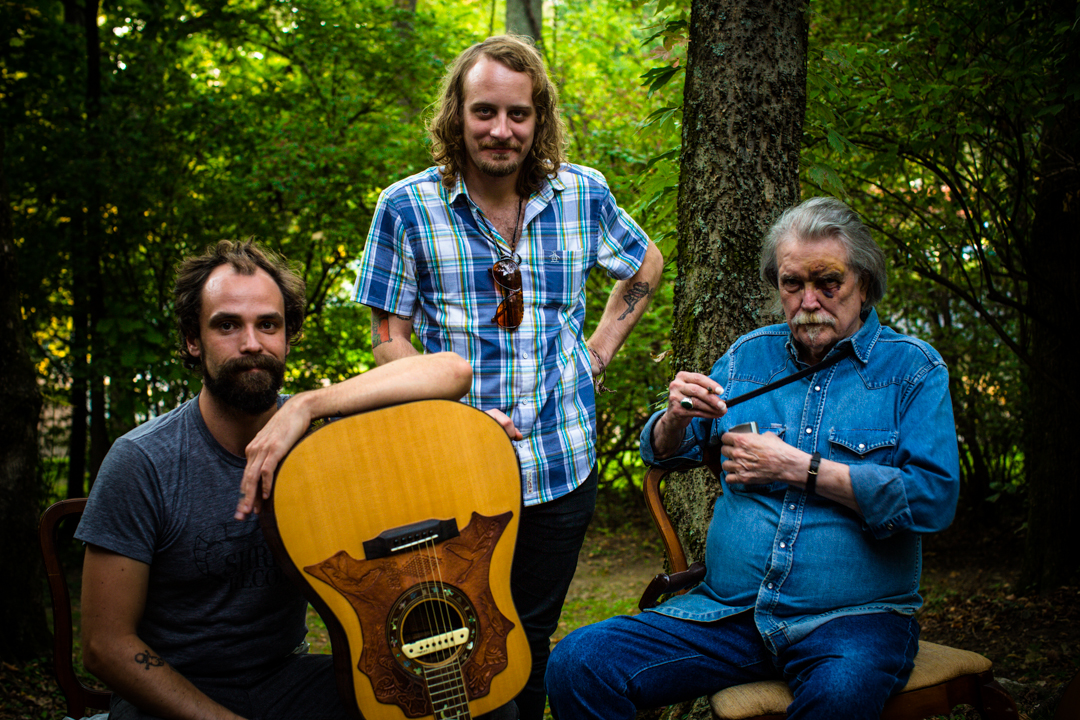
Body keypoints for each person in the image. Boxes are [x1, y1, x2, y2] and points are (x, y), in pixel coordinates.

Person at [545, 197, 961, 720]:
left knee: (837, 697)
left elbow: (934, 500)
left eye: (827, 281)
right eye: (792, 284)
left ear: (864, 282)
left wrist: (798, 468)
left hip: (853, 622)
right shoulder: (748, 357)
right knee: (579, 663)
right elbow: (661, 451)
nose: (809, 300)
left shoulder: (912, 371)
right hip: (731, 616)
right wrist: (675, 417)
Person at [352, 35, 664, 719]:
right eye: (484, 111)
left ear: (539, 117)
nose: (501, 129)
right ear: (457, 115)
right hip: (455, 473)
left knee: (533, 638)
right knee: (458, 648)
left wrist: (598, 352)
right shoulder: (407, 208)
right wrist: (453, 417)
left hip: (561, 463)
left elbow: (645, 263)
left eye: (518, 114)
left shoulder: (583, 195)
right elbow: (388, 338)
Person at [77, 239, 472, 720]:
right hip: (172, 691)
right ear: (191, 340)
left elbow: (452, 372)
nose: (251, 343)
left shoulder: (318, 444)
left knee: (473, 702)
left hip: (285, 680)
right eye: (227, 325)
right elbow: (104, 644)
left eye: (269, 325)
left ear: (288, 337)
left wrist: (309, 404)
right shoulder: (142, 461)